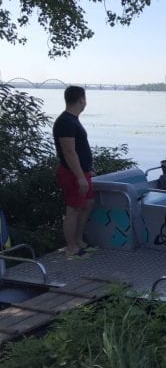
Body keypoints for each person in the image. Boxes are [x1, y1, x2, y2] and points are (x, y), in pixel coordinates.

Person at [53, 86, 95, 257]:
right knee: (73, 209)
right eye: (85, 98)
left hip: (83, 172)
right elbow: (69, 152)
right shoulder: (65, 122)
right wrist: (80, 176)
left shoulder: (73, 120)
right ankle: (71, 247)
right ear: (81, 99)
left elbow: (79, 148)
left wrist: (87, 169)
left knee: (88, 204)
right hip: (72, 174)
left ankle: (78, 240)